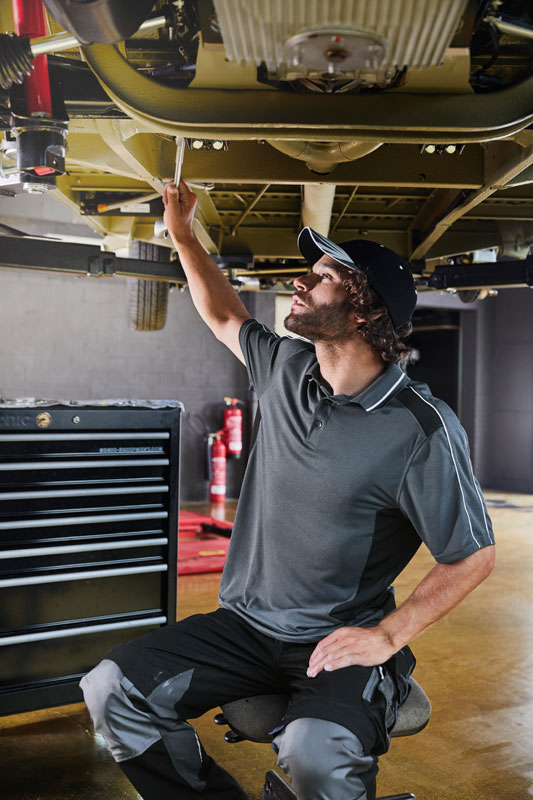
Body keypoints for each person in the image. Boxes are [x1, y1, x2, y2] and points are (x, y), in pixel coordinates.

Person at [80, 180, 495, 800]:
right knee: (112, 689)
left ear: (365, 312)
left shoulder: (420, 428)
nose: (300, 282)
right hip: (243, 629)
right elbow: (225, 313)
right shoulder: (285, 368)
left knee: (315, 755)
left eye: (323, 277)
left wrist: (388, 636)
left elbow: (473, 555)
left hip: (334, 640)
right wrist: (184, 235)